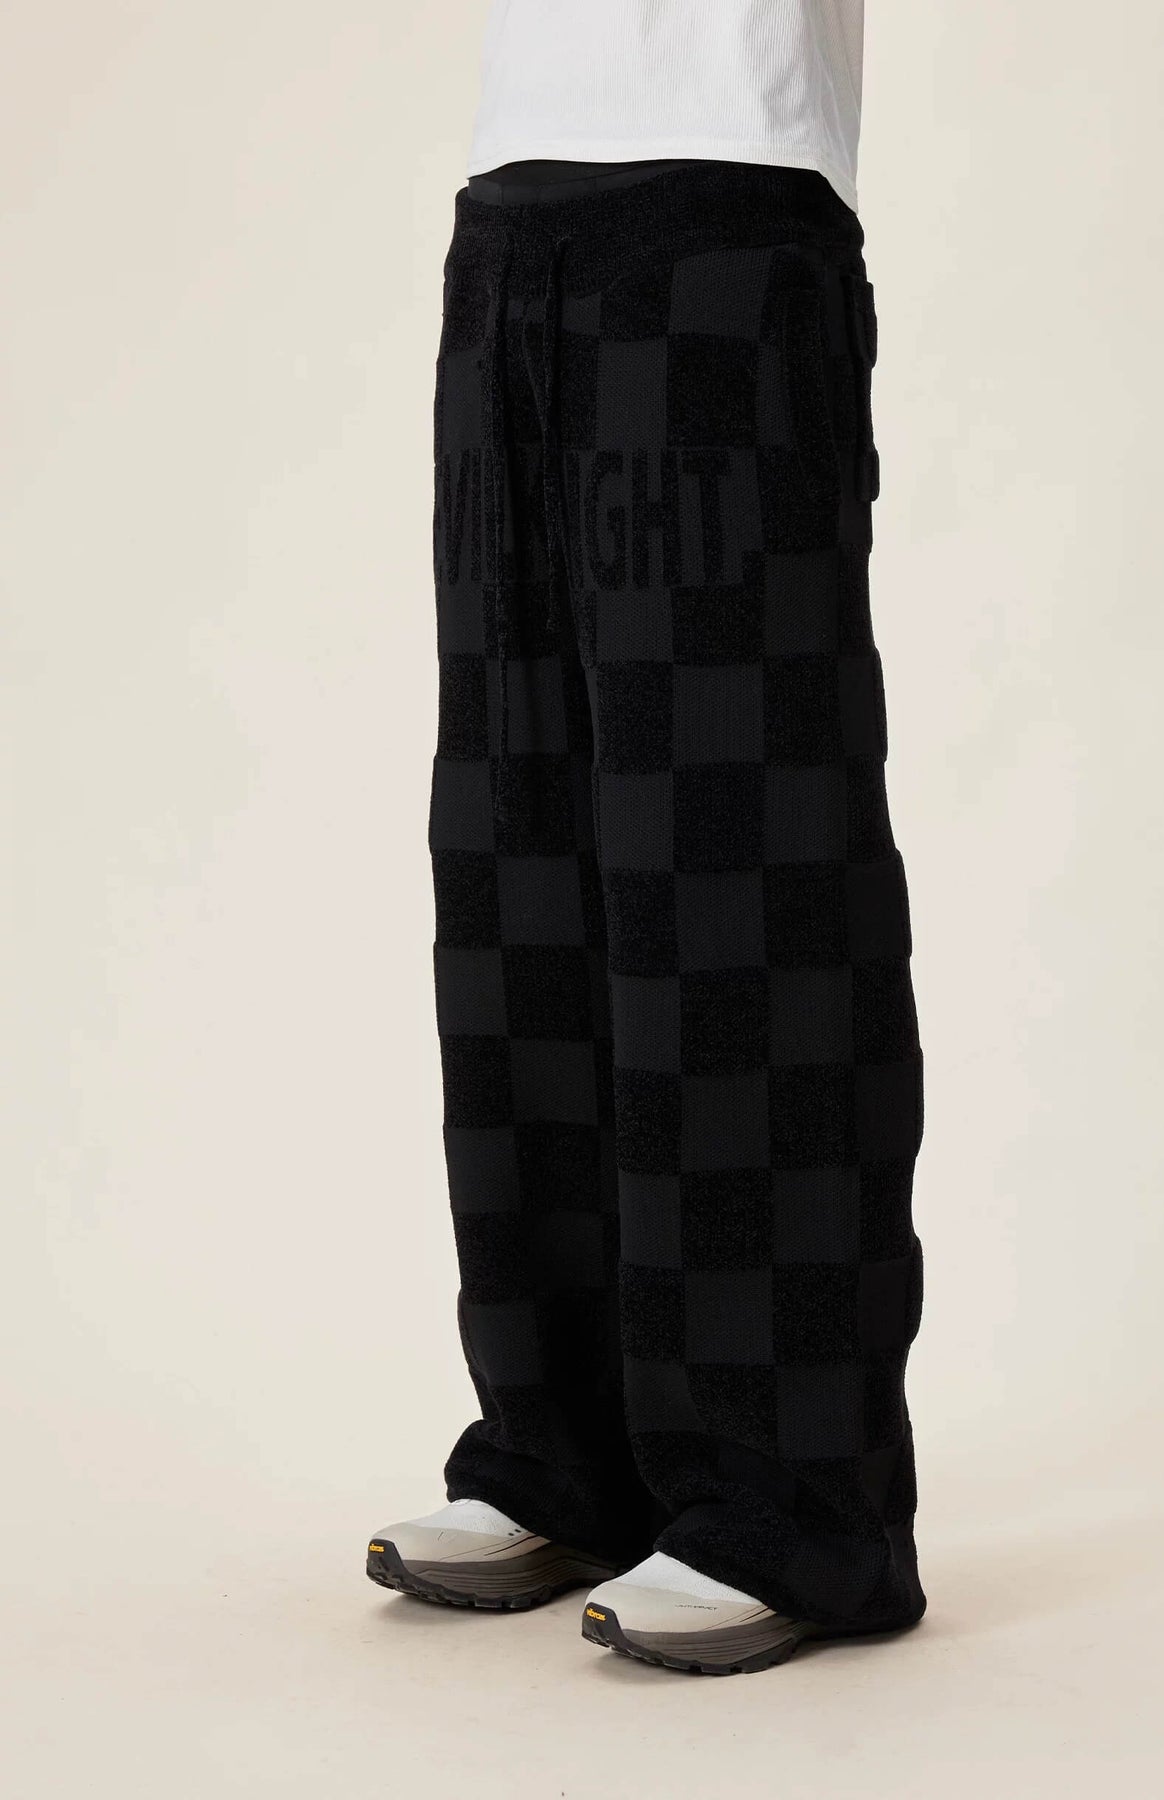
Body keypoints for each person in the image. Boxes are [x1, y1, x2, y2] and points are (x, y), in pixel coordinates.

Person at [367, 0, 927, 1675]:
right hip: (509, 220)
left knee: (741, 872)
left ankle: (793, 1504)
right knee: (517, 867)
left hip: (731, 200)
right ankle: (565, 1453)